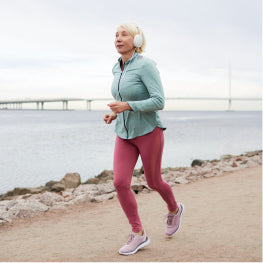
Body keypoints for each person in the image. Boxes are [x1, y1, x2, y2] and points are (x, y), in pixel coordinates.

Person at [104, 22, 184, 256]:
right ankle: (138, 233)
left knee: (154, 181)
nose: (118, 38)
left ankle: (174, 209)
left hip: (149, 132)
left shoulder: (146, 66)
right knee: (119, 183)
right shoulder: (115, 68)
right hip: (124, 134)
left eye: (124, 34)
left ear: (137, 40)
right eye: (116, 35)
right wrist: (115, 113)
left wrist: (128, 105)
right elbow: (122, 98)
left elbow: (159, 101)